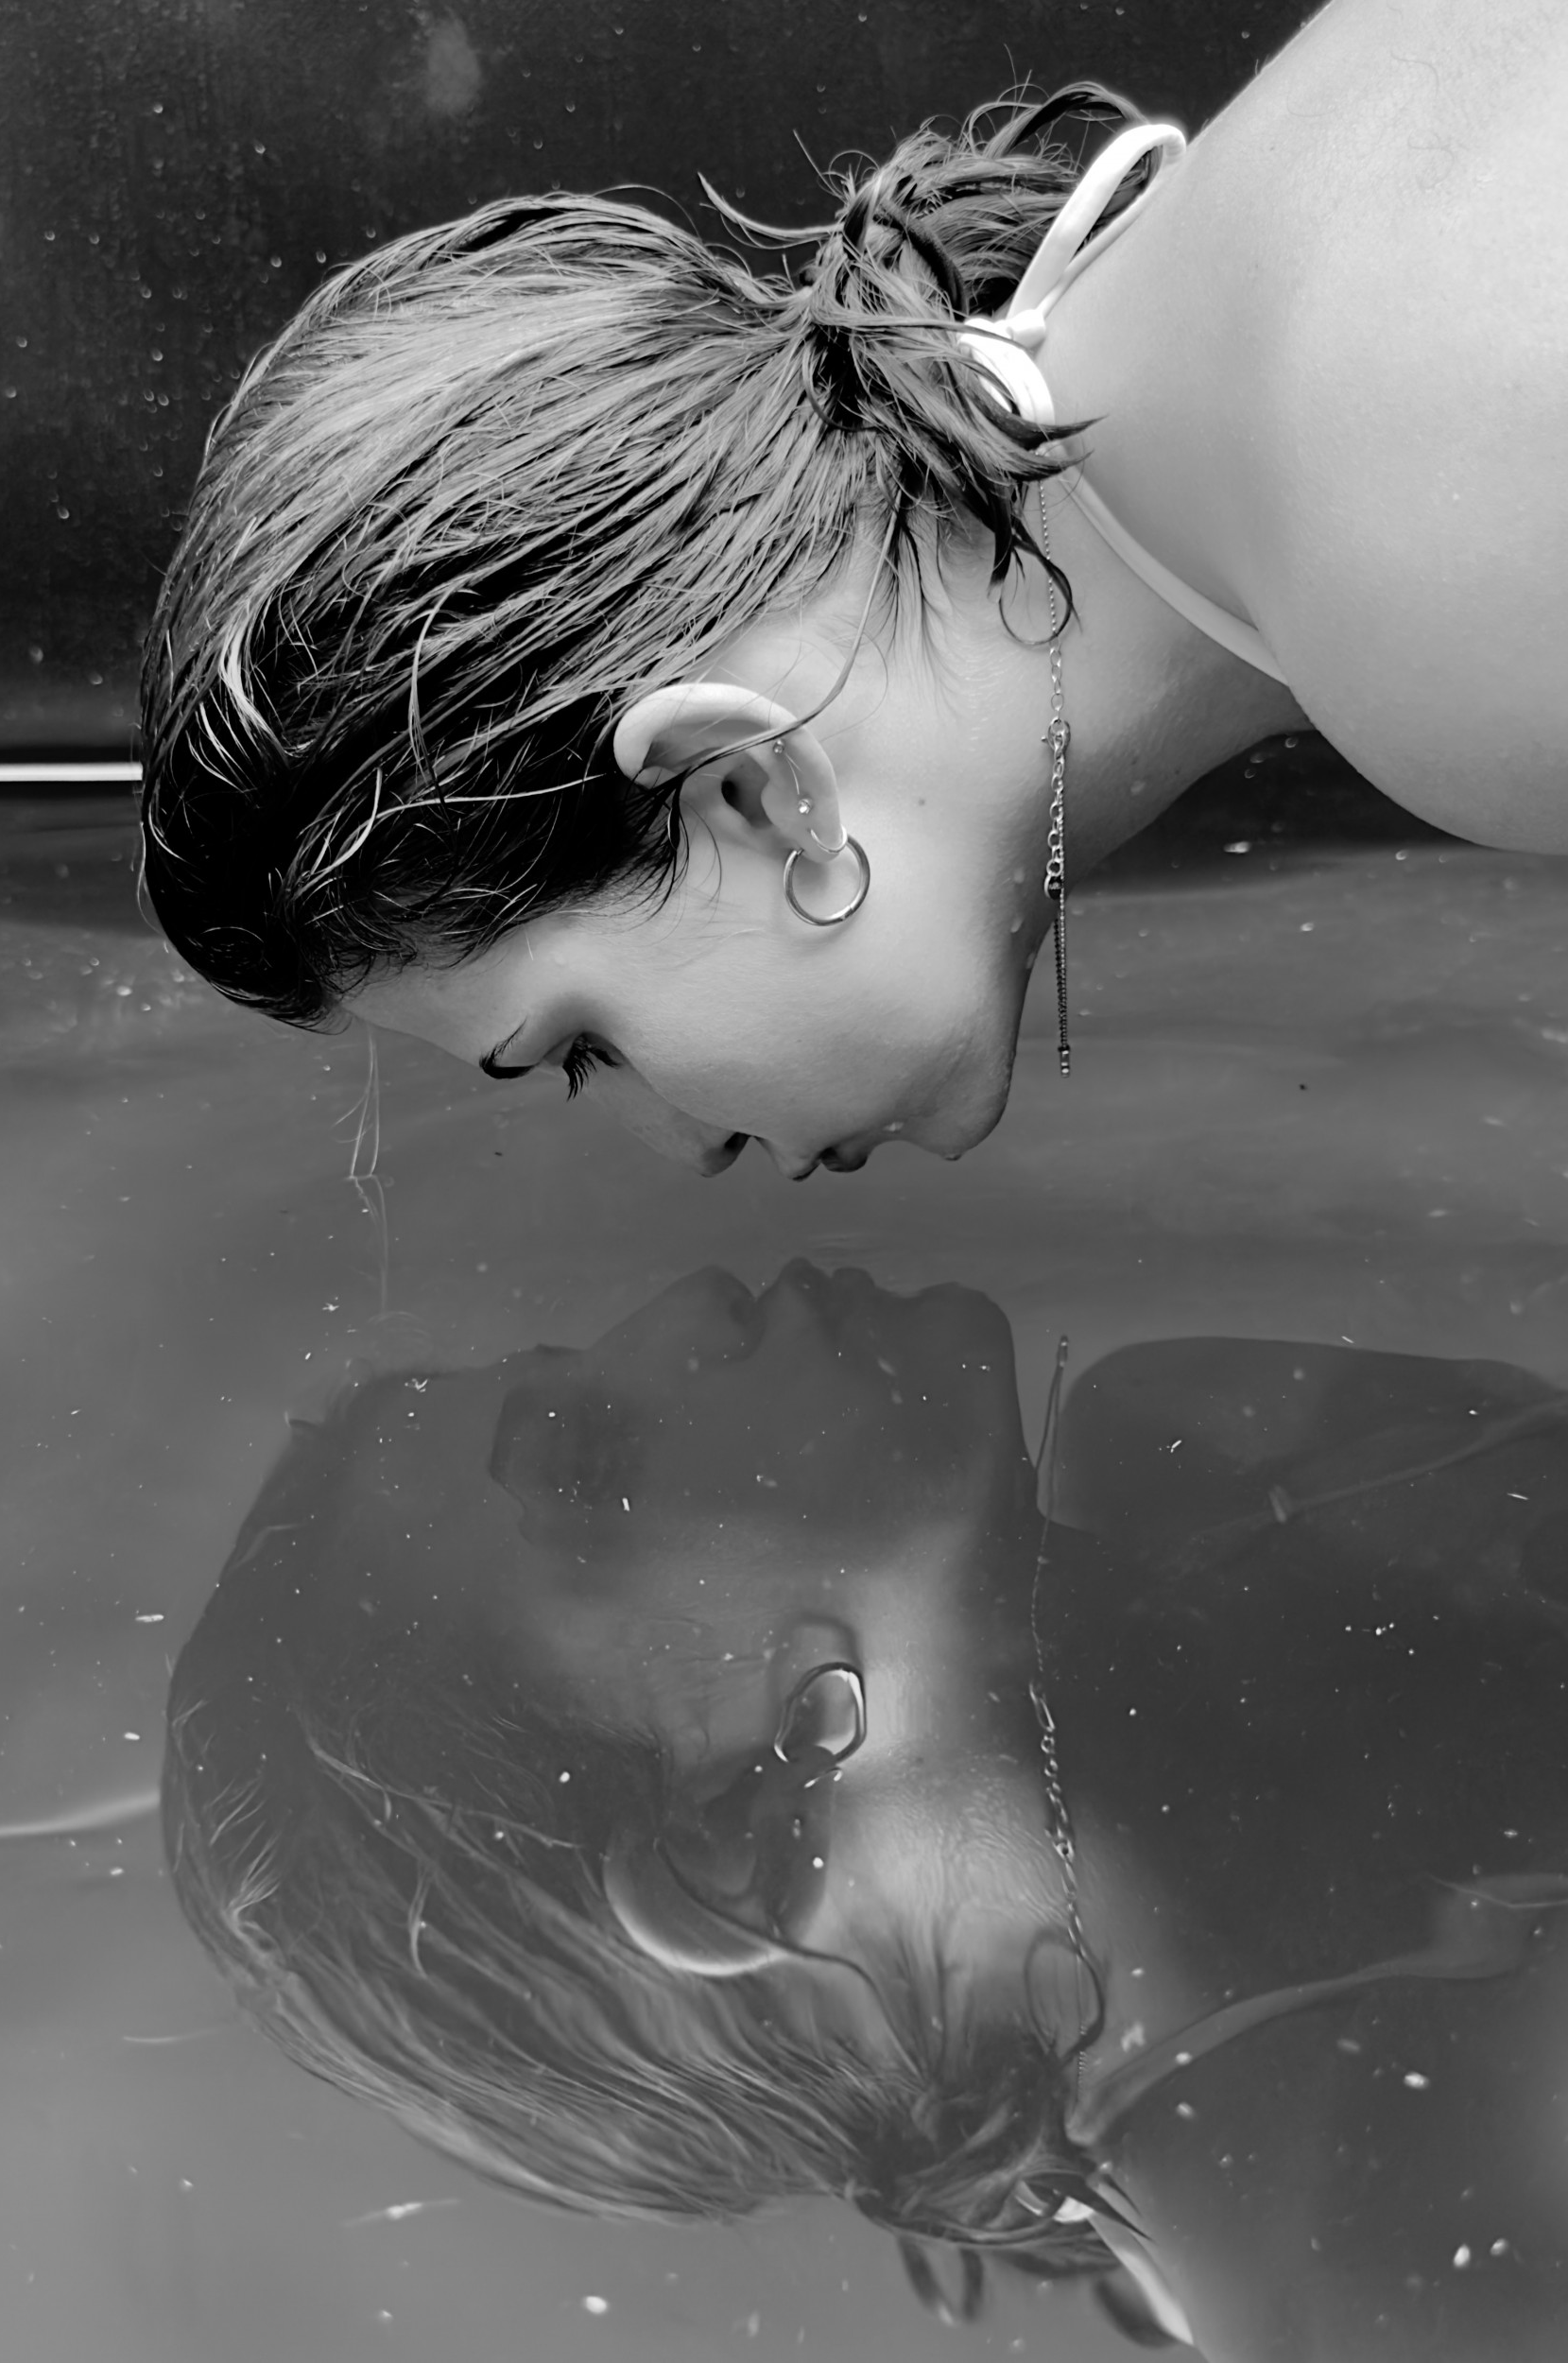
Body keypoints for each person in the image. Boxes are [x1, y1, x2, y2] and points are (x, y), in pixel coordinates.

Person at [137, 0, 1568, 1180]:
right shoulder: (1321, 372)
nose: (688, 1151)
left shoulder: (1444, 554)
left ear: (751, 789)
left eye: (582, 1048)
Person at [164, 1263, 1568, 2355]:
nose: (685, 1303)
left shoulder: (1199, 1445)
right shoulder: (1404, 2282)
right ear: (741, 1832)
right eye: (589, 1455)